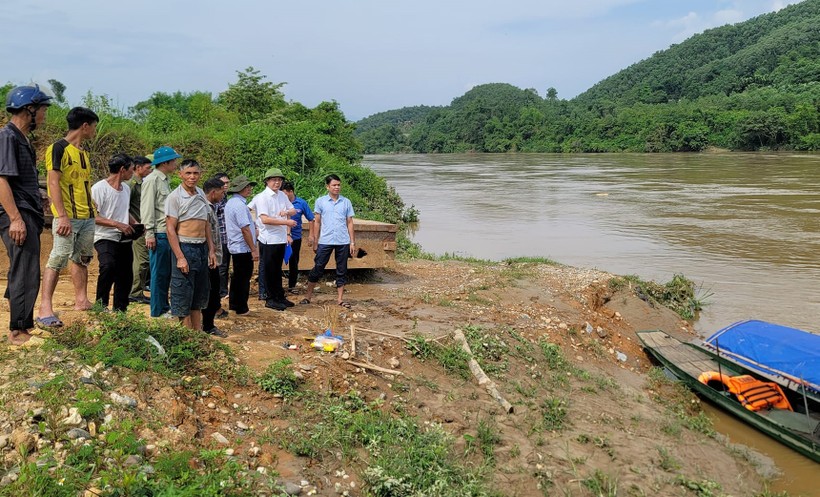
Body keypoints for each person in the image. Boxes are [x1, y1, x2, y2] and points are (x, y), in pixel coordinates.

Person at [37, 107, 99, 327]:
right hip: (68, 217)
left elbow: (82, 184)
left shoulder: (83, 153)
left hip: (87, 216)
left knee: (82, 258)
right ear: (85, 126)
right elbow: (53, 182)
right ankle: (45, 307)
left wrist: (92, 206)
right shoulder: (58, 148)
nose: (94, 131)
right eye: (93, 126)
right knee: (59, 257)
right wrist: (61, 216)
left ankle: (81, 299)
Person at [0, 85, 52, 344]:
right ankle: (17, 330)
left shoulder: (21, 139)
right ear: (28, 109)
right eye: (42, 109)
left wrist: (39, 196)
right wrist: (15, 218)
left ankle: (22, 324)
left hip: (25, 209)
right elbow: (1, 181)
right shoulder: (8, 137)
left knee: (25, 268)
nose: (44, 114)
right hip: (17, 213)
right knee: (25, 270)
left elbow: (19, 181)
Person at [165, 159, 216, 330]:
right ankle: (187, 338)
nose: (192, 177)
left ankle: (198, 334)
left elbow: (206, 224)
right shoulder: (175, 197)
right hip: (185, 247)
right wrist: (180, 257)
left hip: (201, 248)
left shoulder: (201, 194)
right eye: (188, 173)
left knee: (199, 294)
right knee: (183, 292)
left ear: (200, 174)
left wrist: (211, 250)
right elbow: (170, 229)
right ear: (180, 175)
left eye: (195, 173)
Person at [301, 174, 355, 309]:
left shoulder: (346, 202)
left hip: (343, 240)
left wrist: (352, 242)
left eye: (338, 185)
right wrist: (315, 239)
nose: (337, 187)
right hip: (325, 240)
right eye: (334, 185)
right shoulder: (321, 201)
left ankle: (340, 299)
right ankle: (308, 296)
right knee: (318, 267)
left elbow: (349, 222)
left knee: (342, 269)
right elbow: (317, 222)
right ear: (327, 187)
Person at [91, 154, 136, 312]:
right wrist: (116, 224)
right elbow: (93, 216)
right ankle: (100, 305)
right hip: (104, 236)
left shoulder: (126, 189)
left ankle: (120, 309)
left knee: (125, 275)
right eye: (131, 169)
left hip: (123, 238)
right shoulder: (99, 189)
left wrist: (134, 223)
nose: (133, 172)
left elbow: (123, 210)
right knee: (108, 266)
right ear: (122, 170)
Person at [141, 146, 182, 318]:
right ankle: (158, 310)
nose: (175, 164)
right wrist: (149, 233)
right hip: (158, 233)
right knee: (158, 273)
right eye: (173, 161)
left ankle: (164, 306)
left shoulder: (164, 179)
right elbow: (147, 207)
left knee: (165, 272)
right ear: (165, 163)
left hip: (166, 232)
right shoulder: (152, 180)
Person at [253, 168, 297, 311]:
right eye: (274, 180)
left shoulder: (282, 196)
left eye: (279, 180)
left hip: (280, 238)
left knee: (277, 269)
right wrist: (286, 222)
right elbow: (265, 219)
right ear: (267, 181)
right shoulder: (262, 197)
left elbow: (293, 210)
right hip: (268, 238)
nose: (277, 182)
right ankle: (270, 298)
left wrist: (286, 212)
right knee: (269, 269)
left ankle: (279, 296)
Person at [224, 175, 258, 315]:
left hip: (237, 245)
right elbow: (245, 229)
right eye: (246, 187)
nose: (249, 189)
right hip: (242, 246)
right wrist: (253, 249)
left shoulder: (233, 203)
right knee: (243, 277)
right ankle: (241, 307)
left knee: (238, 276)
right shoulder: (239, 205)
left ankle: (234, 303)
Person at [202, 177, 228, 337]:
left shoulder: (212, 207)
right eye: (222, 192)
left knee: (213, 290)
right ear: (213, 192)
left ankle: (207, 324)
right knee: (210, 292)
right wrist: (211, 252)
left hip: (213, 256)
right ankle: (208, 326)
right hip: (208, 257)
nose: (223, 195)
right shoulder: (204, 208)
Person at [128, 155, 153, 304]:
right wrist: (135, 223)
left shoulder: (142, 183)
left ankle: (138, 289)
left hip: (143, 227)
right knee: (141, 260)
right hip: (138, 229)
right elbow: (124, 206)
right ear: (138, 167)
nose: (150, 170)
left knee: (142, 260)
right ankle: (135, 291)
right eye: (148, 168)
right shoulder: (131, 184)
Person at [281, 180, 314, 292]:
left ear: (291, 191)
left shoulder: (301, 203)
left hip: (295, 238)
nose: (283, 196)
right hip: (280, 237)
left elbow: (311, 219)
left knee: (294, 262)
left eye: (284, 193)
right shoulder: (279, 202)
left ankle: (292, 286)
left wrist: (311, 235)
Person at [212, 172, 230, 319]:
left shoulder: (226, 198)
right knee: (221, 267)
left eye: (227, 183)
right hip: (219, 238)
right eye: (223, 183)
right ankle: (221, 292)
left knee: (225, 265)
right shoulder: (215, 201)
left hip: (227, 237)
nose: (225, 185)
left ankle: (223, 291)